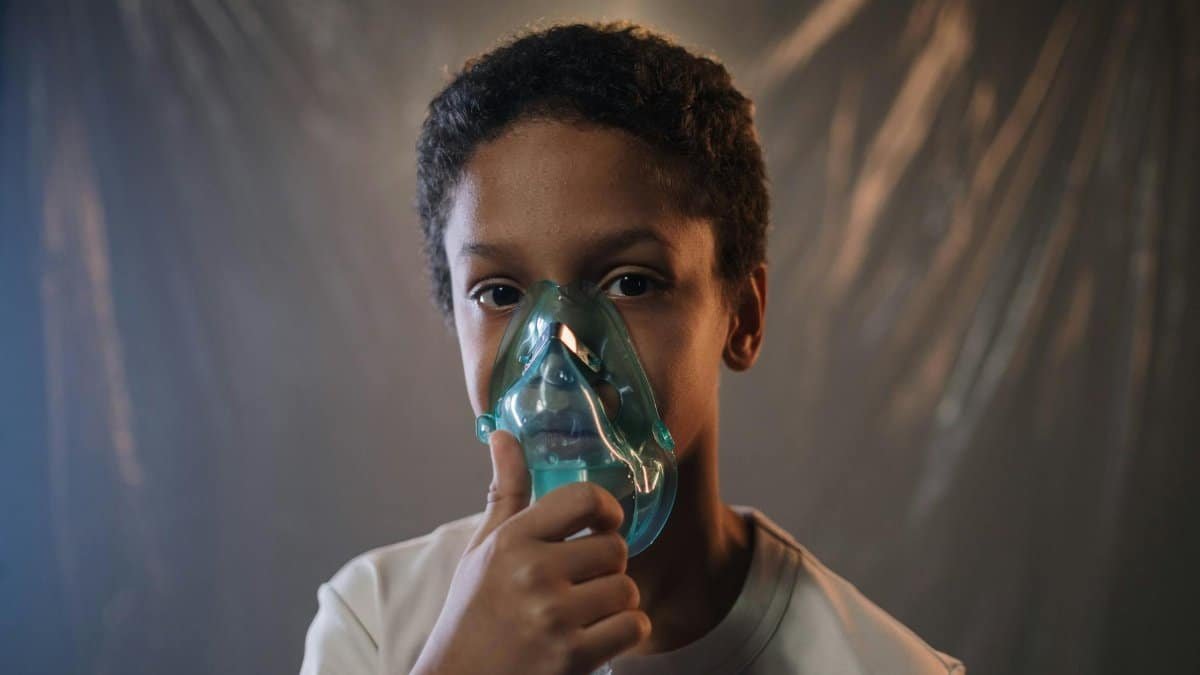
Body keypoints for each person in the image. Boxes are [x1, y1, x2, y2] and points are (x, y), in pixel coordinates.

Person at [301, 21, 965, 675]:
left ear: (743, 316)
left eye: (630, 282)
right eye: (501, 292)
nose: (559, 352)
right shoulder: (376, 627)